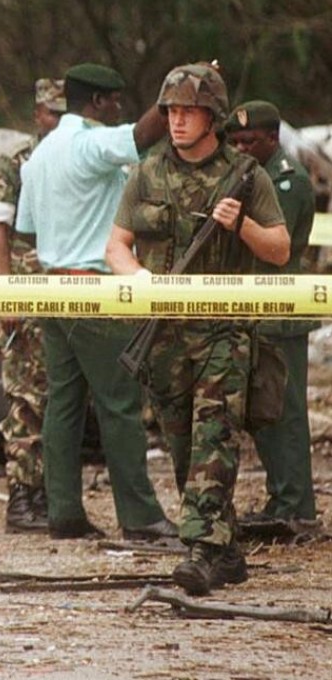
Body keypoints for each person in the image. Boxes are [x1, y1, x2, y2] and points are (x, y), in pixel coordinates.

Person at [106, 64, 290, 595]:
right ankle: (225, 547)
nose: (178, 120)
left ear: (212, 117)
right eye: (171, 111)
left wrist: (241, 224)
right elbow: (117, 246)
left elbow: (278, 250)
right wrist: (139, 281)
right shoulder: (146, 173)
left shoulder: (245, 175)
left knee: (215, 436)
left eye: (189, 111)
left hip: (222, 332)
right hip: (163, 335)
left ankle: (202, 550)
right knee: (183, 444)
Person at [14, 62, 175, 541]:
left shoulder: (40, 155)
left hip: (52, 289)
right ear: (98, 102)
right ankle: (141, 517)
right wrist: (178, 89)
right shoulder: (89, 143)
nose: (119, 107)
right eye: (115, 100)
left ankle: (63, 512)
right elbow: (143, 134)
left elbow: (27, 229)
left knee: (63, 403)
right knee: (119, 404)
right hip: (94, 290)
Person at [224, 100, 319, 525]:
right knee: (263, 412)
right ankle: (280, 499)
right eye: (236, 141)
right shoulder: (248, 177)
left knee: (288, 412)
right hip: (253, 310)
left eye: (250, 141)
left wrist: (239, 221)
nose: (241, 148)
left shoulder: (288, 181)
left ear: (272, 138)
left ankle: (295, 506)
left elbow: (278, 250)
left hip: (281, 310)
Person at [0, 77, 66, 532]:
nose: (55, 122)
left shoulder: (78, 156)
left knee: (60, 396)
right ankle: (21, 496)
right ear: (37, 114)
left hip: (68, 285)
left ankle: (52, 495)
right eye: (50, 113)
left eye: (63, 113)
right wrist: (6, 290)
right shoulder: (19, 160)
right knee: (24, 395)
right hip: (28, 284)